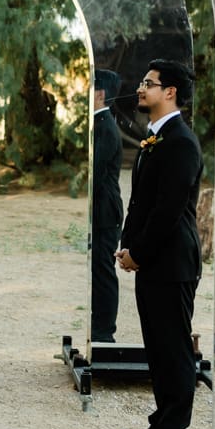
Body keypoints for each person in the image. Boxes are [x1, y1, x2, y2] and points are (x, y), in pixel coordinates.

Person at [114, 58, 202, 429]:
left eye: (148, 83)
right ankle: (160, 422)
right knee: (157, 347)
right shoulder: (154, 138)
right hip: (152, 262)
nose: (140, 88)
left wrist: (140, 253)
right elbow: (141, 203)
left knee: (175, 350)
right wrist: (127, 245)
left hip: (172, 264)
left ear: (170, 92)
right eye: (142, 81)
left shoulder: (181, 142)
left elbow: (168, 212)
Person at [90, 69, 124, 343]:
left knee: (103, 270)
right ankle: (97, 326)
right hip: (100, 208)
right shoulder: (99, 125)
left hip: (105, 210)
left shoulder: (106, 128)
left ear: (100, 94)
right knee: (97, 270)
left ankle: (105, 331)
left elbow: (96, 171)